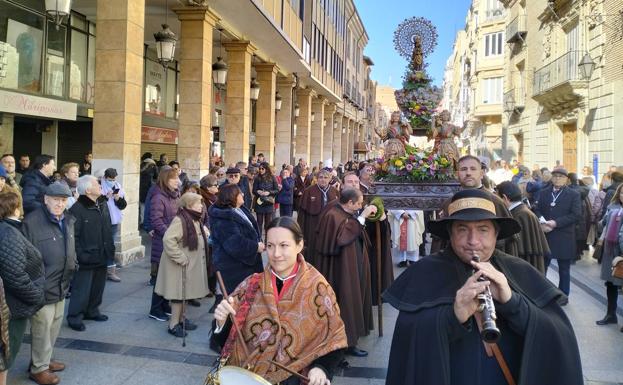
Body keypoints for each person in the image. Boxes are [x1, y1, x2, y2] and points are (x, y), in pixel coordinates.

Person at [383, 188, 584, 385]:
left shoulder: (518, 269)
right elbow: (409, 344)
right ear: (450, 234)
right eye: (462, 229)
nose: (473, 241)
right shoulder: (424, 272)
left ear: (496, 234)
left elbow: (558, 338)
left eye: (483, 229)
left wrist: (513, 302)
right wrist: (453, 316)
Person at [211, 217, 347, 384]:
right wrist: (221, 323)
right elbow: (224, 342)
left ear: (299, 245)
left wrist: (320, 368)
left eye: (284, 245)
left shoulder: (317, 288)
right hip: (247, 377)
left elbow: (334, 338)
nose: (275, 254)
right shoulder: (250, 285)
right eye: (270, 246)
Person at [22, 183, 76, 384]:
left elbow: (70, 245)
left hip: (61, 283)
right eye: (55, 199)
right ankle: (38, 369)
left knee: (54, 326)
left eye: (63, 200)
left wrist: (74, 263)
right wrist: (35, 283)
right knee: (42, 328)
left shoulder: (68, 219)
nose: (59, 204)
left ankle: (44, 359)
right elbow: (25, 257)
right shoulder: (32, 222)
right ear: (46, 199)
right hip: (42, 285)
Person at [314, 188, 376, 358]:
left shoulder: (345, 213)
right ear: (350, 203)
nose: (361, 204)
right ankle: (344, 345)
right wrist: (362, 216)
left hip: (351, 267)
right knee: (345, 301)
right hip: (340, 270)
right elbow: (343, 237)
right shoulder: (333, 215)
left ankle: (349, 341)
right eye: (359, 202)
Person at [0, 192, 44, 383]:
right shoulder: (9, 232)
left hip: (10, 303)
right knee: (6, 355)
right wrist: (36, 297)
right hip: (11, 306)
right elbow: (15, 276)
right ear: (16, 208)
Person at [155, 192, 210, 337]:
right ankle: (173, 324)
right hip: (179, 265)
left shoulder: (195, 219)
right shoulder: (180, 220)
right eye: (199, 203)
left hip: (189, 265)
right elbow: (168, 240)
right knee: (178, 295)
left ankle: (181, 320)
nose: (201, 205)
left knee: (185, 294)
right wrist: (180, 257)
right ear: (189, 205)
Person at [66, 175, 114, 331]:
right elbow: (74, 236)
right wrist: (80, 255)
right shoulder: (77, 209)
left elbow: (107, 229)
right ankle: (75, 317)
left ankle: (92, 311)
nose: (100, 186)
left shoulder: (101, 204)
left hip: (102, 253)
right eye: (96, 184)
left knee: (97, 287)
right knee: (81, 289)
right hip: (86, 255)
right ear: (88, 190)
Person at [208, 183, 264, 314]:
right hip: (234, 268)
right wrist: (255, 247)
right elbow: (234, 244)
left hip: (245, 263)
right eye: (240, 193)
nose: (243, 194)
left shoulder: (239, 209)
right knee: (236, 305)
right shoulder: (224, 218)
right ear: (232, 197)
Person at [534, 168, 582, 302]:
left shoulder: (573, 194)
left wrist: (555, 223)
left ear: (566, 179)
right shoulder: (544, 192)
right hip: (546, 235)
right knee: (543, 265)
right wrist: (542, 221)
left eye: (561, 176)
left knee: (564, 269)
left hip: (564, 235)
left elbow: (576, 214)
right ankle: (542, 292)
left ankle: (563, 295)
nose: (557, 179)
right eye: (555, 176)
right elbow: (536, 208)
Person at [496, 181, 550, 273]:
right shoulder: (522, 211)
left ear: (505, 198)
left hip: (523, 266)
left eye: (497, 197)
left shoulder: (519, 215)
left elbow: (514, 247)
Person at [149, 168, 180, 321]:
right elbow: (156, 220)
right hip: (163, 243)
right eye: (174, 178)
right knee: (161, 278)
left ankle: (163, 305)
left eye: (177, 178)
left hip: (172, 242)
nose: (177, 181)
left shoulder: (174, 195)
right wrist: (170, 234)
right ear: (165, 180)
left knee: (168, 277)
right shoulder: (158, 196)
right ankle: (155, 309)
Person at [595, 183, 623, 332]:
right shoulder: (613, 208)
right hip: (610, 251)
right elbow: (601, 226)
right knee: (611, 284)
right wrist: (607, 219)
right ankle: (611, 314)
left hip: (621, 252)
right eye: (622, 193)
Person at [297, 169, 338, 267]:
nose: (323, 180)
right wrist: (300, 232)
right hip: (312, 228)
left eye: (325, 177)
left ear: (330, 179)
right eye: (320, 177)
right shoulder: (308, 191)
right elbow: (302, 215)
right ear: (317, 178)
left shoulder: (335, 192)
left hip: (330, 228)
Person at [100, 168, 127, 282]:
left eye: (114, 179)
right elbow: (96, 202)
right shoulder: (98, 186)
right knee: (100, 245)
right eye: (110, 179)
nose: (112, 181)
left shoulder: (118, 186)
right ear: (105, 177)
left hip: (113, 221)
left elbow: (123, 205)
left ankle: (111, 272)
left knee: (110, 246)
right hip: (101, 221)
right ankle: (99, 271)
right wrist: (106, 196)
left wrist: (117, 198)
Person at [252, 162, 279, 240]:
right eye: (259, 169)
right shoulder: (257, 178)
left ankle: (268, 241)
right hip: (259, 202)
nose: (260, 170)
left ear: (266, 169)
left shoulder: (272, 177)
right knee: (259, 223)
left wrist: (269, 192)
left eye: (262, 169)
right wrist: (258, 192)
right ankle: (259, 239)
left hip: (269, 203)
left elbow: (277, 190)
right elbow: (254, 190)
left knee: (268, 224)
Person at [139, 153, 158, 227]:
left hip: (141, 187)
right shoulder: (153, 165)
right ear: (150, 157)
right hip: (150, 187)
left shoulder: (141, 164)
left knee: (142, 205)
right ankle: (149, 221)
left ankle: (142, 221)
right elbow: (156, 176)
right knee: (150, 205)